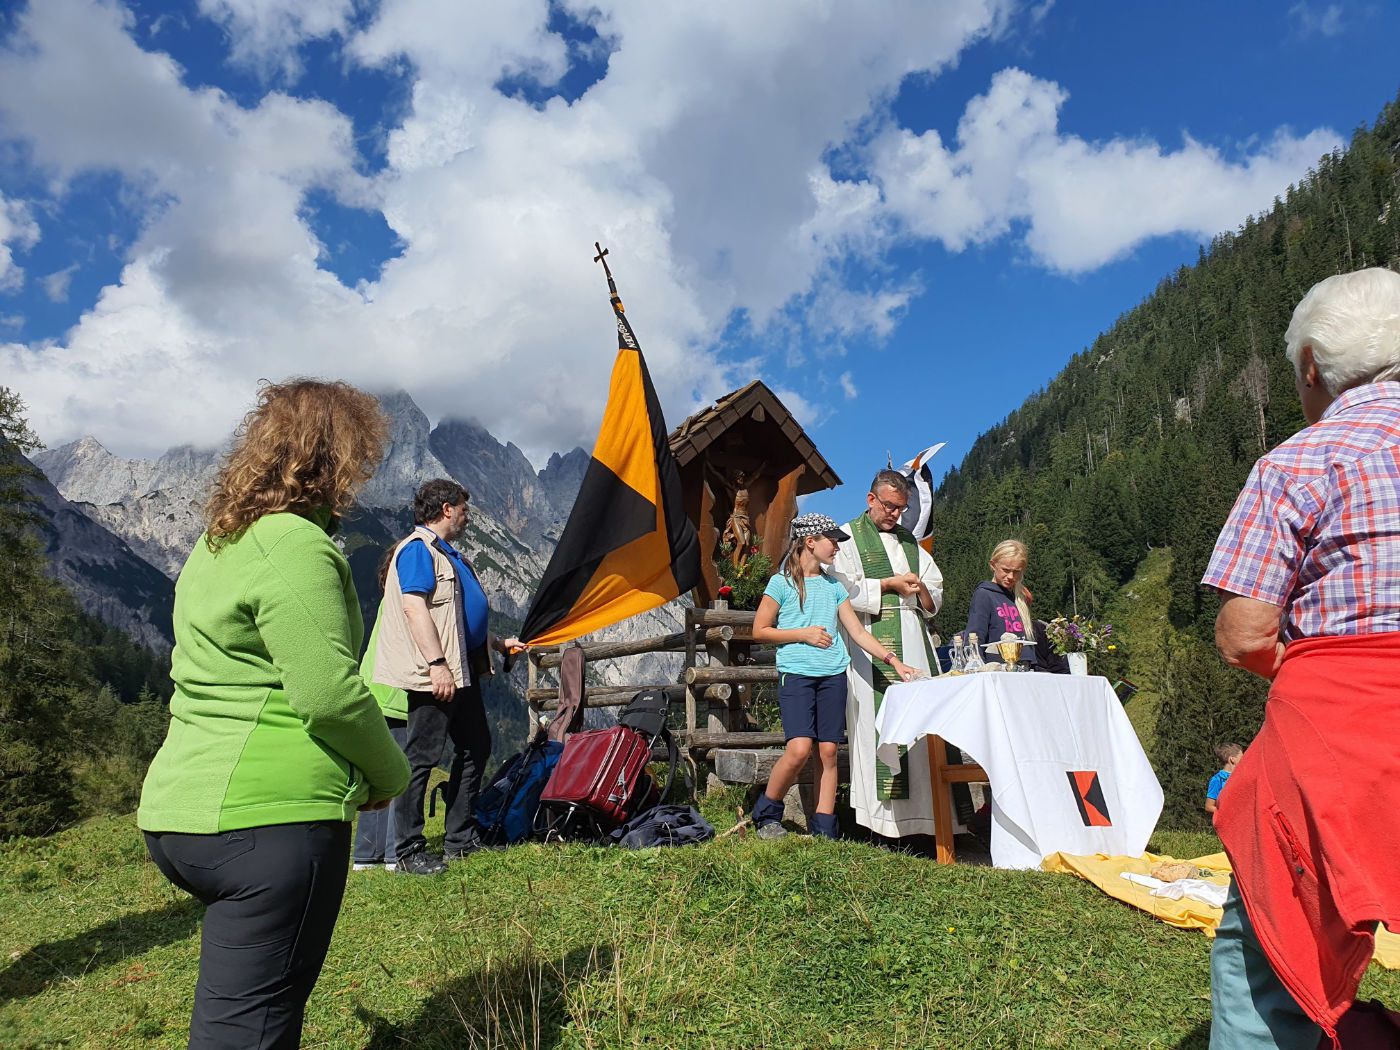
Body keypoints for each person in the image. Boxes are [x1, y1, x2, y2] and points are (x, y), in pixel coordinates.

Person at [137, 379, 411, 1050]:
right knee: (251, 1033)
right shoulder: (296, 545)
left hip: (179, 815)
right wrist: (388, 774)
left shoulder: (214, 547)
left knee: (235, 1021)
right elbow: (329, 694)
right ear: (340, 458)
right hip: (271, 824)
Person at [1201, 267, 1400, 1049]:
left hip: (1335, 747)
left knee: (1268, 961)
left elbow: (1244, 633)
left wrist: (1327, 673)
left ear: (1312, 366)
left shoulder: (1298, 462)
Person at [373, 479, 516, 875]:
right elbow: (415, 609)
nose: (468, 517)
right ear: (447, 508)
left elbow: (456, 619)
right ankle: (406, 849)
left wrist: (500, 644)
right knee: (421, 757)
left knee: (476, 747)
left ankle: (460, 838)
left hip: (461, 669)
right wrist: (437, 664)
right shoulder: (418, 550)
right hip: (436, 673)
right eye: (464, 510)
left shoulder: (449, 555)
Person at [750, 513, 919, 839]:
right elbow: (760, 630)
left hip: (832, 677)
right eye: (833, 541)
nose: (838, 548)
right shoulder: (780, 584)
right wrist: (803, 634)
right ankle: (767, 814)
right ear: (810, 542)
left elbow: (856, 632)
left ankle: (825, 829)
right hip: (796, 676)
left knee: (828, 753)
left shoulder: (834, 587)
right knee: (799, 750)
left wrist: (894, 661)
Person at [830, 469, 947, 838]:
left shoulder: (911, 543)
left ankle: (929, 821)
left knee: (923, 726)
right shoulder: (846, 538)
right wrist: (889, 583)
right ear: (870, 500)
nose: (896, 514)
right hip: (870, 646)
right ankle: (881, 826)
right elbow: (840, 590)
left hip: (916, 638)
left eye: (902, 508)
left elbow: (936, 592)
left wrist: (921, 592)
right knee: (875, 727)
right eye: (890, 506)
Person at [351, 547, 410, 872]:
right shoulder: (407, 602)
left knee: (375, 774)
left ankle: (366, 855)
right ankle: (393, 853)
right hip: (396, 696)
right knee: (401, 775)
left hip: (373, 692)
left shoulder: (389, 601)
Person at [965, 539, 1036, 668]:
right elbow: (975, 635)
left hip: (1024, 664)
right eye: (1006, 570)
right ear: (993, 565)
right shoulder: (984, 594)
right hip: (997, 667)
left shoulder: (1020, 597)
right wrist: (976, 666)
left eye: (1016, 572)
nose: (1010, 576)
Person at [1203, 743, 1242, 816]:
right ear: (1232, 759)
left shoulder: (1241, 776)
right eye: (1241, 758)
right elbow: (1209, 807)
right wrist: (1229, 812)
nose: (1244, 761)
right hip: (1229, 823)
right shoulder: (1217, 780)